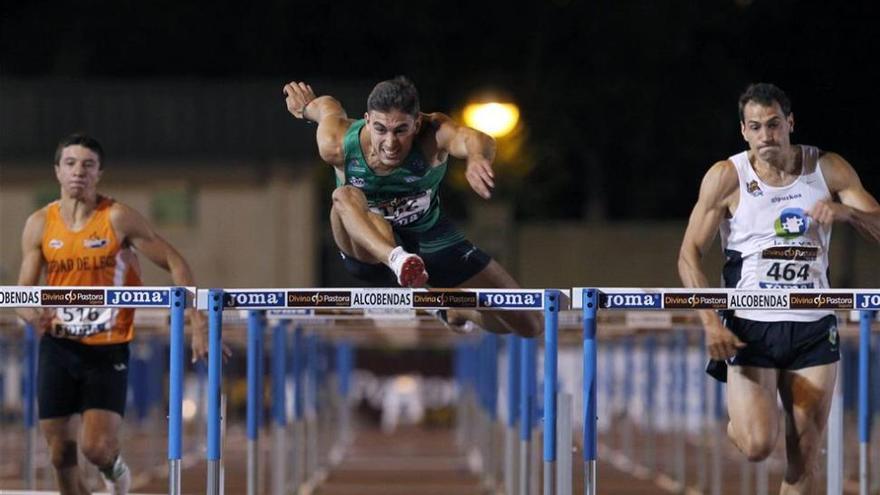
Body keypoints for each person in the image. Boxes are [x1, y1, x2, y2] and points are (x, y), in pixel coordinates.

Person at [678, 83, 880, 493]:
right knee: (757, 444)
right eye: (755, 127)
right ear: (744, 132)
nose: (766, 136)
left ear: (789, 123)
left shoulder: (828, 169)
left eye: (773, 125)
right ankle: (741, 414)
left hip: (812, 325)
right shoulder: (726, 177)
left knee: (804, 456)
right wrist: (711, 324)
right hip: (751, 326)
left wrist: (844, 212)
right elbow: (688, 256)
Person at [15, 133, 226, 495]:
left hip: (107, 348)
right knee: (60, 455)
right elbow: (22, 292)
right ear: (57, 172)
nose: (78, 172)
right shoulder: (39, 224)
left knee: (96, 448)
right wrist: (34, 316)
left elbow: (175, 261)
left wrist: (199, 323)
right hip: (59, 345)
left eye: (87, 165)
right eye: (70, 164)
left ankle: (114, 471)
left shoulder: (117, 218)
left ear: (99, 173)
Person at [282, 76, 541, 337]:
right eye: (380, 129)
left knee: (530, 324)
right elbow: (327, 108)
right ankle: (399, 261)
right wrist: (306, 107)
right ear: (367, 120)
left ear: (416, 124)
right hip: (368, 249)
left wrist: (475, 157)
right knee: (343, 195)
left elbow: (476, 138)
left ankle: (451, 309)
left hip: (429, 238)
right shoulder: (336, 143)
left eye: (401, 130)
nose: (390, 143)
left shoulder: (433, 133)